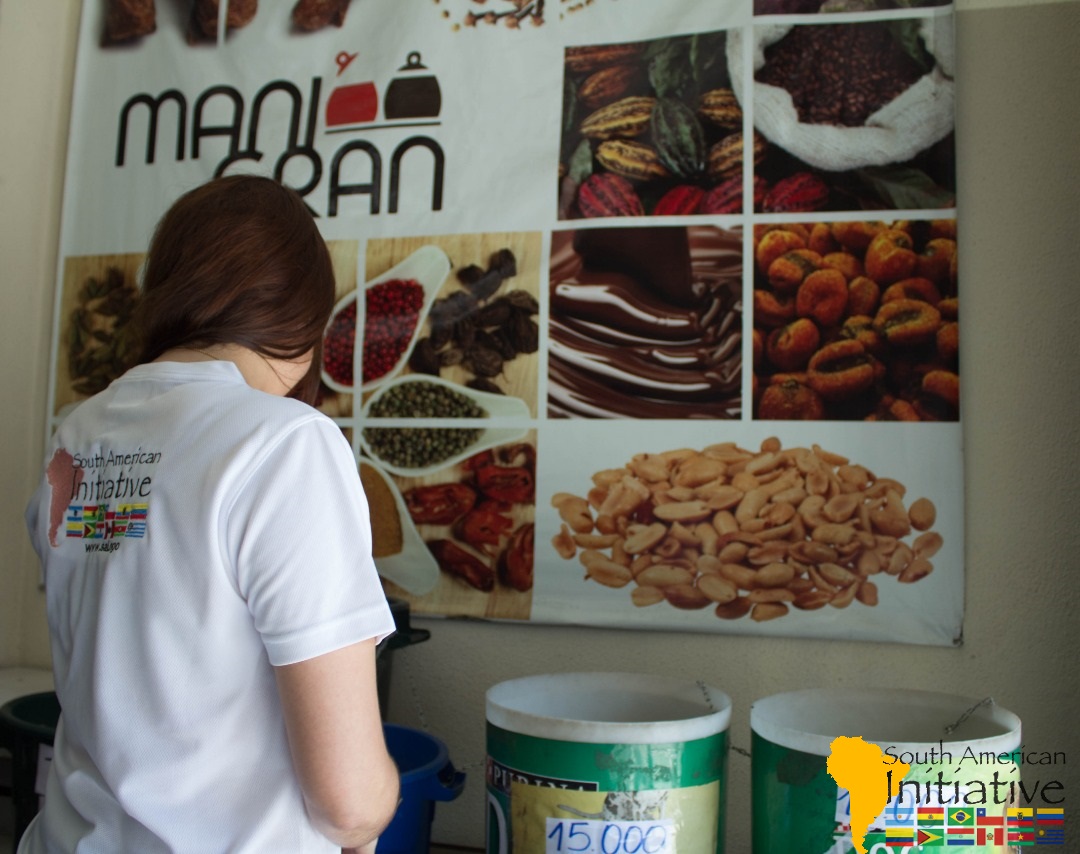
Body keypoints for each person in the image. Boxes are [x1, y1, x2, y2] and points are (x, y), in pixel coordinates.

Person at [23, 175, 401, 853]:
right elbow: (349, 804)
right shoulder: (285, 442)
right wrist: (375, 807)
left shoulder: (79, 433)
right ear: (302, 317)